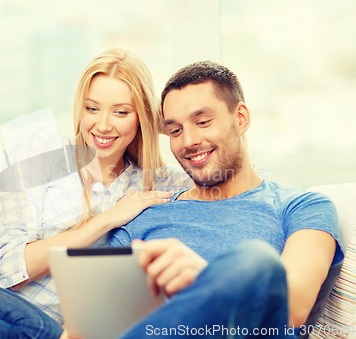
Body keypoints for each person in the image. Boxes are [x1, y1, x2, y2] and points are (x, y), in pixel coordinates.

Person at [0, 48, 192, 338]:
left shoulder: (151, 184)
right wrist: (107, 219)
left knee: (25, 332)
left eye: (121, 112)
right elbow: (16, 267)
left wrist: (168, 125)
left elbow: (215, 183)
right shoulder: (41, 150)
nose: (103, 125)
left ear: (142, 118)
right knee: (41, 330)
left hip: (0, 326)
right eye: (92, 108)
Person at [102, 61, 343, 338]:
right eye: (176, 131)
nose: (189, 141)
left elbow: (294, 307)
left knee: (257, 262)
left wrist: (206, 279)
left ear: (240, 118)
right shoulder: (146, 215)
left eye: (203, 122)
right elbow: (97, 313)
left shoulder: (302, 206)